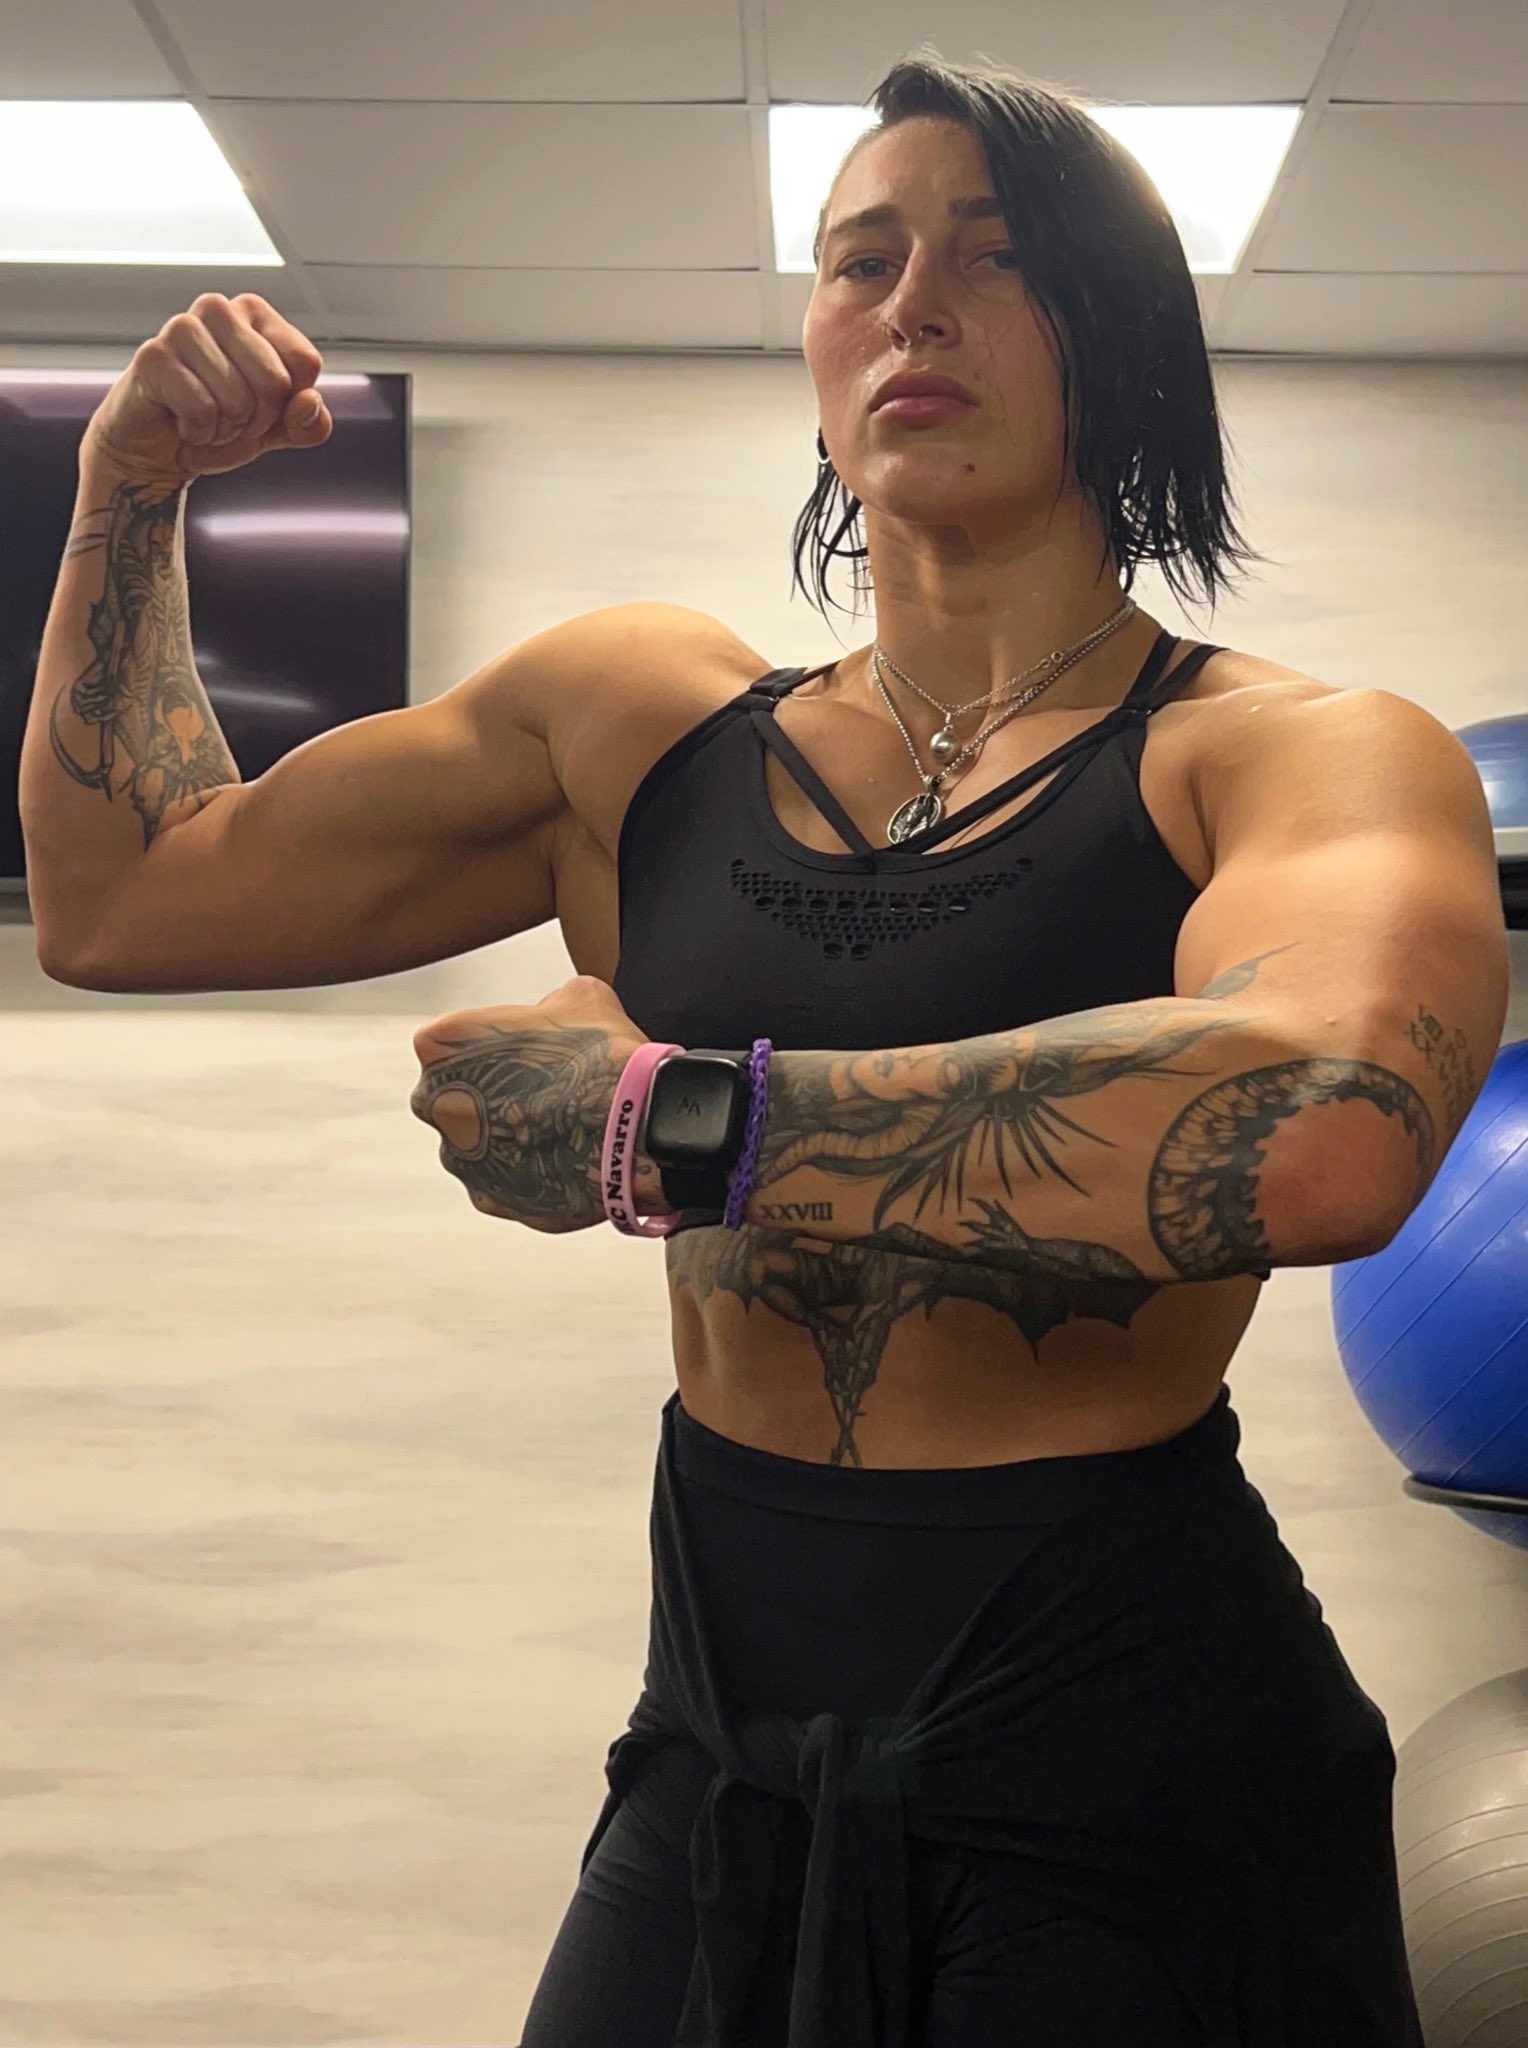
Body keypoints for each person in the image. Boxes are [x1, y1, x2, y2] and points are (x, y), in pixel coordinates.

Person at [24, 47, 1506, 2048]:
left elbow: (1321, 1122)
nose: (914, 305)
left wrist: (665, 1123)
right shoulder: (634, 724)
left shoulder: (1284, 754)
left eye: (994, 256)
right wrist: (126, 493)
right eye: (861, 259)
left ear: (1123, 338)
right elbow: (125, 896)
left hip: (1134, 1770)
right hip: (722, 1734)